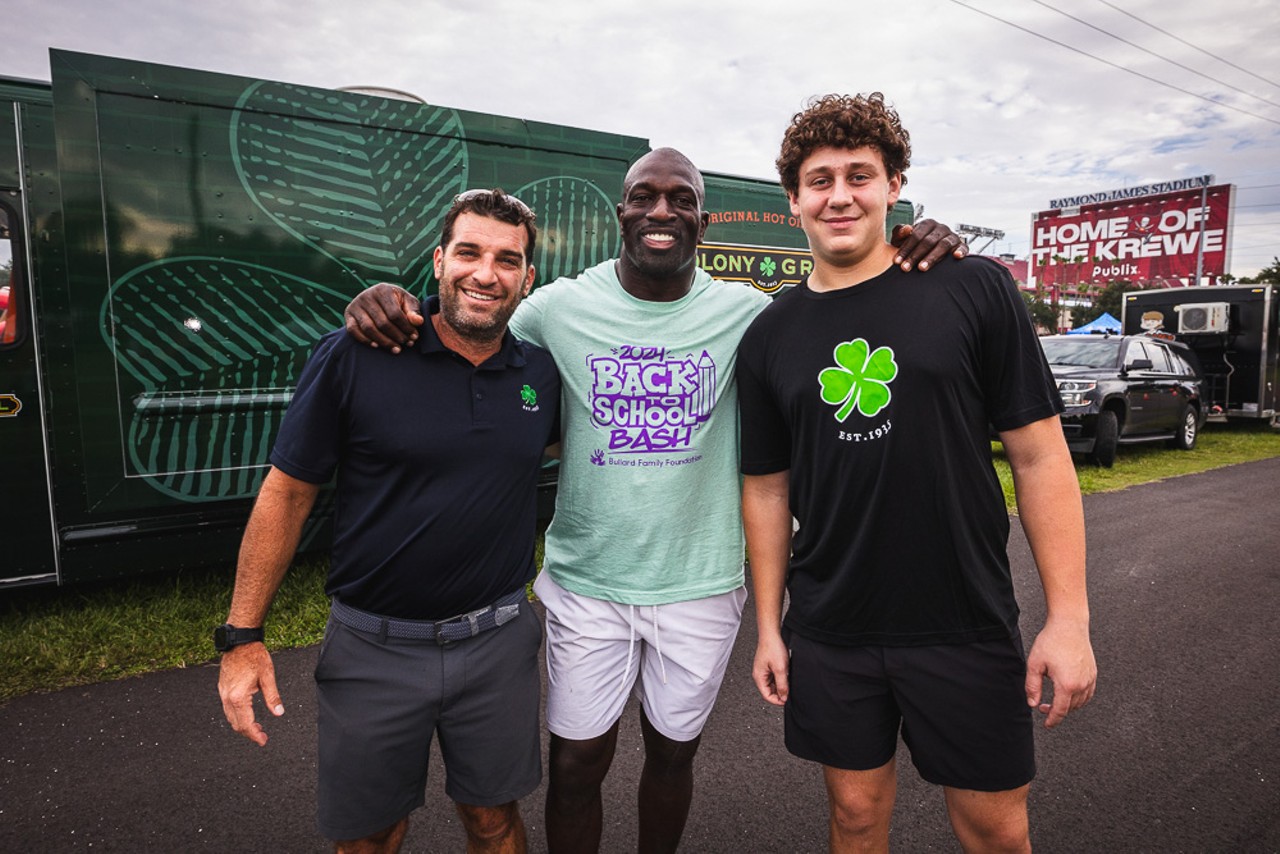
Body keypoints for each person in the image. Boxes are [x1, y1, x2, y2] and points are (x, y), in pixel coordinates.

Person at [344, 150, 967, 853]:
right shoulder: (558, 308)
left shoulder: (748, 315)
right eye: (645, 196)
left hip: (702, 584)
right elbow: (471, 325)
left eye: (680, 199)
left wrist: (912, 250)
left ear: (703, 219)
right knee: (577, 763)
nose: (662, 211)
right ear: (624, 211)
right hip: (588, 583)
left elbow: (845, 309)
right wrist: (394, 303)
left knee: (673, 755)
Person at [737, 93, 1097, 853]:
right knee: (857, 818)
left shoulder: (972, 288)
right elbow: (767, 487)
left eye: (860, 175)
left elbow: (1039, 457)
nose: (841, 196)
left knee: (996, 828)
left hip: (960, 618)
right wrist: (770, 628)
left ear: (895, 183)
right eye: (821, 180)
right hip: (834, 624)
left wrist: (1069, 621)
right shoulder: (770, 335)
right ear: (792, 200)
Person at [216, 189, 559, 854]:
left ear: (527, 278)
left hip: (497, 644)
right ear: (437, 261)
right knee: (372, 834)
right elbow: (287, 494)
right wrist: (241, 636)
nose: (486, 274)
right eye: (469, 252)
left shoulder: (539, 375)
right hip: (374, 648)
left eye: (506, 260)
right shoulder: (357, 354)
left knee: (493, 819)